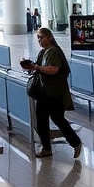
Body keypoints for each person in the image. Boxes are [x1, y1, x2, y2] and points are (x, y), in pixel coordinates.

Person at [24, 27, 82, 159]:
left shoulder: (54, 52)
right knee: (41, 120)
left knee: (58, 118)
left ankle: (75, 142)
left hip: (54, 92)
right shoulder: (43, 52)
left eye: (41, 37)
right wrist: (32, 68)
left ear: (49, 37)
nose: (39, 40)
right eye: (37, 38)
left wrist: (37, 67)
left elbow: (53, 70)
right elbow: (39, 68)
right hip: (44, 92)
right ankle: (46, 148)